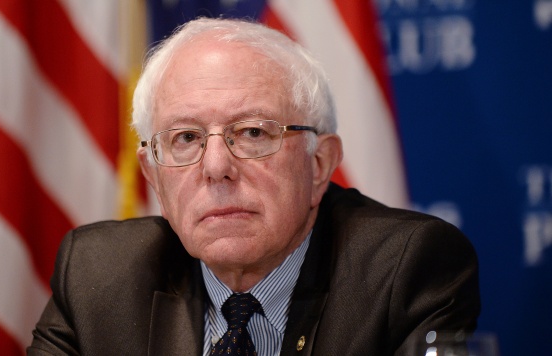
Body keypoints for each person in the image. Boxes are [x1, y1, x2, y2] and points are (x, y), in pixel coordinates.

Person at [28, 17, 480, 355]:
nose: (217, 167)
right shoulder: (96, 276)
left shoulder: (408, 270)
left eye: (253, 133)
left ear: (320, 164)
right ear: (154, 177)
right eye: (186, 138)